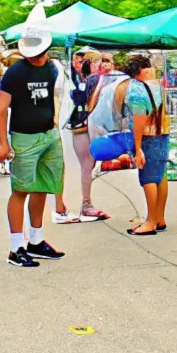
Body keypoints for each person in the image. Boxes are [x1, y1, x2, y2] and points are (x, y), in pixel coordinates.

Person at [0, 28, 67, 267]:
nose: (37, 58)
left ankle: (36, 241)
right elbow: (2, 109)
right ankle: (16, 248)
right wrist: (3, 143)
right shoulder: (14, 73)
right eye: (32, 55)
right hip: (24, 138)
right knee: (20, 190)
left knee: (43, 186)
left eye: (40, 54)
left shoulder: (52, 68)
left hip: (49, 134)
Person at [57, 50, 111, 223]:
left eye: (84, 61)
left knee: (88, 165)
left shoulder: (86, 79)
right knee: (87, 165)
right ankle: (85, 204)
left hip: (83, 124)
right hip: (82, 125)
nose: (81, 64)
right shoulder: (79, 79)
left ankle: (84, 204)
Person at [123, 55, 169, 237]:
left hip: (149, 137)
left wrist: (137, 147)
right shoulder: (157, 85)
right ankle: (159, 218)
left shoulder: (136, 90)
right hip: (163, 134)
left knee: (148, 177)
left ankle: (150, 222)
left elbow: (139, 120)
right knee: (160, 175)